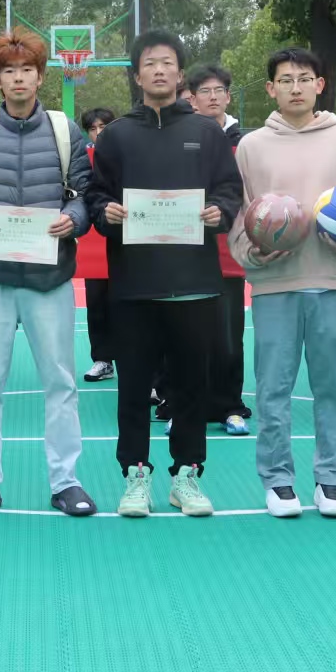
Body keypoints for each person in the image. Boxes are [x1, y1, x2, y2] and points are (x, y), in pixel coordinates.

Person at [85, 30, 243, 519]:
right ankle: (136, 475)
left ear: (180, 74)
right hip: (134, 286)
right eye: (150, 63)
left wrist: (219, 211)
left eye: (167, 62)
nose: (159, 70)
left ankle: (186, 476)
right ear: (137, 75)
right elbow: (96, 194)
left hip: (195, 284)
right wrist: (105, 212)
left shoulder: (207, 132)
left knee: (191, 386)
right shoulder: (116, 135)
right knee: (133, 387)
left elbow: (229, 190)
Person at [0, 28, 96, 518]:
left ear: (40, 76)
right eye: (9, 71)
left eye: (27, 70)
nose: (18, 78)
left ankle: (66, 482)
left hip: (50, 279)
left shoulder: (64, 130)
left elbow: (84, 195)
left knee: (61, 383)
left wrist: (72, 219)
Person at [227, 48, 336, 519]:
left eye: (304, 78)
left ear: (319, 85)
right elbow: (241, 215)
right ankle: (279, 481)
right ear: (270, 89)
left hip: (332, 279)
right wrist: (254, 253)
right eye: (285, 80)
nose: (295, 87)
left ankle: (331, 481)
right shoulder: (251, 146)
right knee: (273, 388)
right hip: (274, 283)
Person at [186, 64, 250, 433]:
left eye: (219, 91)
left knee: (229, 337)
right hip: (186, 250)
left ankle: (230, 406)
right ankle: (185, 406)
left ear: (228, 96)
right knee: (187, 335)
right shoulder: (180, 135)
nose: (213, 97)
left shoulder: (247, 142)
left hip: (229, 251)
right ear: (192, 99)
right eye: (205, 91)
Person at [78, 107, 119, 383]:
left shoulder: (126, 154)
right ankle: (103, 360)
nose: (98, 132)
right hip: (92, 241)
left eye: (103, 126)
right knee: (95, 300)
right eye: (92, 128)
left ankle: (137, 364)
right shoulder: (82, 159)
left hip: (122, 236)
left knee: (129, 305)